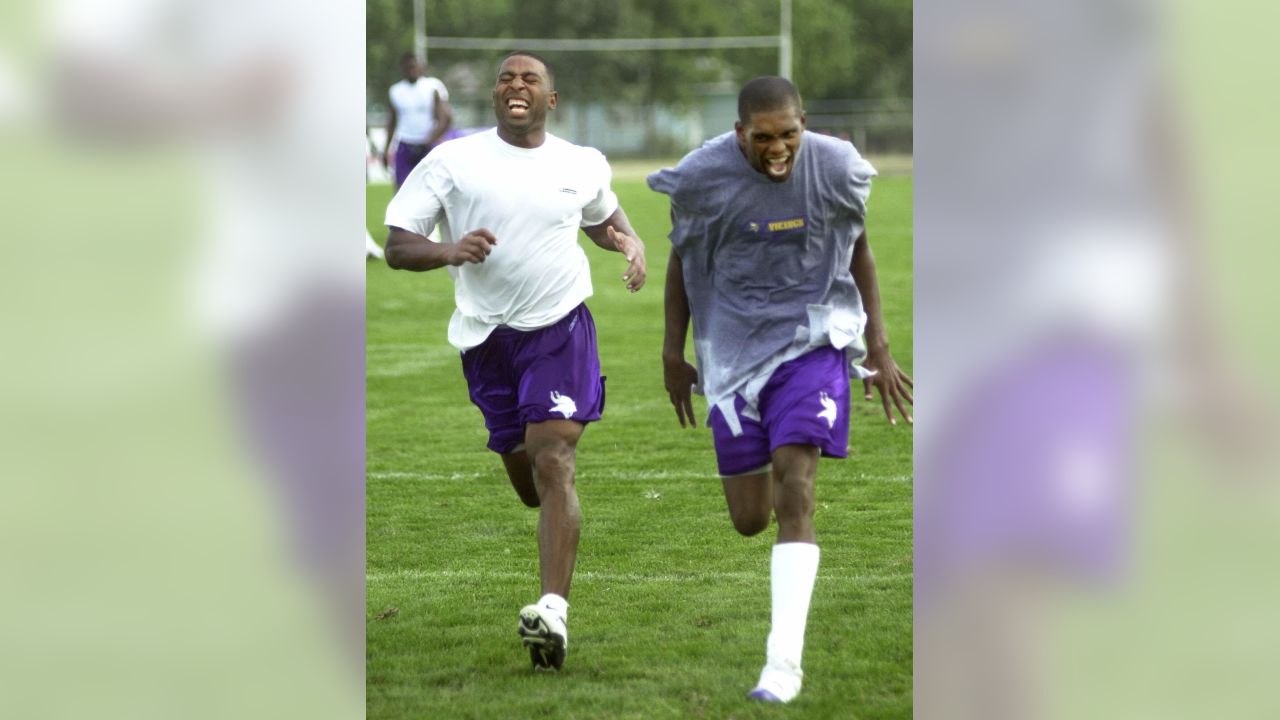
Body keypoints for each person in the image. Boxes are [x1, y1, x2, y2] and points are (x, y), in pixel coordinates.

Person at [648, 76, 912, 703]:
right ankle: (769, 447)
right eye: (762, 138)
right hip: (734, 352)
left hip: (814, 339)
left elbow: (860, 250)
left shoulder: (836, 167)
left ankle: (782, 664)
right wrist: (671, 351)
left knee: (797, 481)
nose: (777, 149)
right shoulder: (703, 177)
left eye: (788, 134)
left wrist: (877, 343)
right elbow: (683, 262)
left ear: (804, 122)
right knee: (749, 519)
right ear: (739, 132)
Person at [382, 51, 647, 672]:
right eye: (506, 78)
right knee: (530, 481)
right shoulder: (452, 161)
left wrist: (628, 240)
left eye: (530, 79)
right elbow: (397, 245)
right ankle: (549, 528)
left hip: (559, 327)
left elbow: (602, 218)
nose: (516, 85)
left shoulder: (580, 163)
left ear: (551, 100)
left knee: (554, 458)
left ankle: (552, 611)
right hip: (486, 341)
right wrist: (449, 250)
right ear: (495, 97)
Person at [384, 52, 452, 189]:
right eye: (408, 67)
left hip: (426, 145)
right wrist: (386, 149)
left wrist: (431, 139)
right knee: (402, 189)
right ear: (402, 69)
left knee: (433, 190)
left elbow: (446, 118)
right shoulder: (396, 91)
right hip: (405, 144)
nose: (412, 70)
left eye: (414, 66)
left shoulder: (432, 87)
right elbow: (392, 122)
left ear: (421, 67)